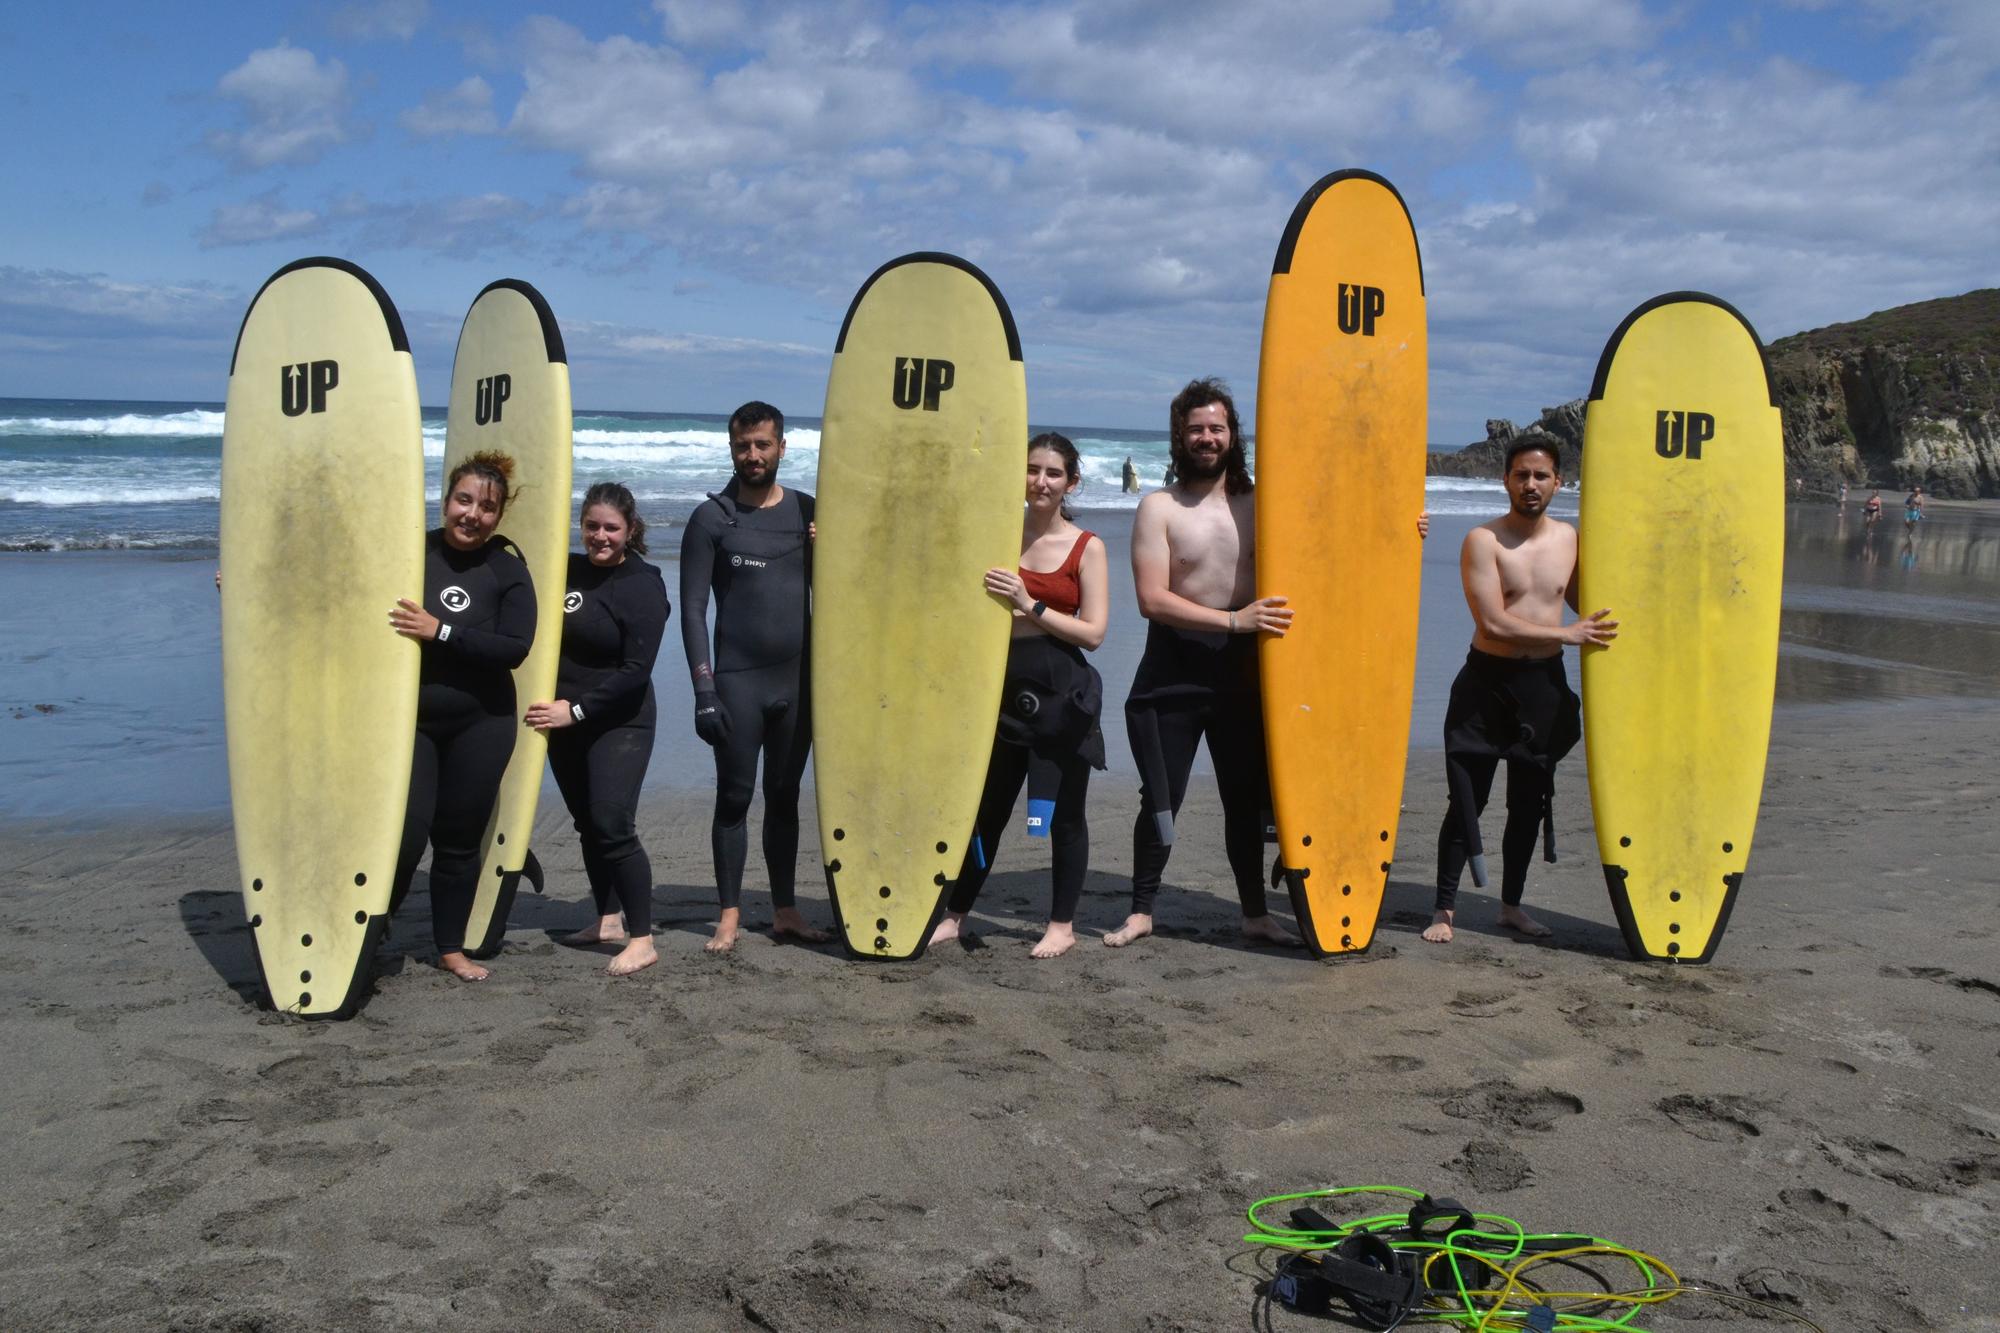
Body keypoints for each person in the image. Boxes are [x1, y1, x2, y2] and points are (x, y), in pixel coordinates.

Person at [1105, 379, 1433, 948]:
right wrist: (1235, 620)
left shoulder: (1264, 503)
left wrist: (1405, 528)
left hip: (1244, 670)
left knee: (1244, 796)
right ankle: (1141, 911)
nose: (1207, 438)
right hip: (1174, 666)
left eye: (1217, 428)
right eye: (1195, 429)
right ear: (1180, 437)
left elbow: (1338, 537)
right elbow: (1151, 599)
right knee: (1161, 795)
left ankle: (1255, 912)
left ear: (1233, 435)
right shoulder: (1159, 507)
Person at [1423, 436, 1616, 945]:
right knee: (1468, 800)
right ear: (1505, 480)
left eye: (1541, 476)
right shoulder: (1482, 540)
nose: (1531, 484)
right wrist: (1566, 635)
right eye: (1521, 475)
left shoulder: (1570, 540)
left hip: (1542, 689)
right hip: (1486, 685)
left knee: (1530, 803)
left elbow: (1592, 605)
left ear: (1558, 482)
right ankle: (1444, 909)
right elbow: (1492, 622)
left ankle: (1511, 907)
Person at [929, 434, 1110, 958]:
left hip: (1062, 696)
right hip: (1000, 691)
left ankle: (1062, 925)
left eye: (1053, 473)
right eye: (1032, 470)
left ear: (1071, 482)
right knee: (987, 811)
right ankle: (955, 914)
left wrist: (1030, 604)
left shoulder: (1087, 547)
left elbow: (1094, 633)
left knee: (1065, 816)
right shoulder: (997, 535)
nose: (1040, 482)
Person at [680, 401, 829, 952]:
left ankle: (786, 910)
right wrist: (704, 688)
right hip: (738, 684)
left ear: (782, 447)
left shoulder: (809, 513)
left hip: (798, 683)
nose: (753, 455)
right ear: (731, 448)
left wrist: (828, 547)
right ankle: (728, 915)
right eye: (743, 446)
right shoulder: (712, 519)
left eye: (763, 444)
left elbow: (849, 587)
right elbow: (693, 609)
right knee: (734, 798)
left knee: (785, 796)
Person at [388, 451, 536, 981]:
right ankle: (371, 928)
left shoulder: (507, 569)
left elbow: (514, 647)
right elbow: (341, 590)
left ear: (499, 515)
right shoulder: (412, 553)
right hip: (412, 723)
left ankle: (450, 947)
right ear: (446, 499)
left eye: (486, 507)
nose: (472, 514)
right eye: (464, 500)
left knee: (457, 839)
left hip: (482, 723)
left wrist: (441, 631)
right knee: (403, 835)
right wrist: (247, 584)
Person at [525, 483, 671, 976]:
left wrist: (577, 711)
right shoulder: (566, 570)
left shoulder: (642, 584)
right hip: (564, 718)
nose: (600, 536)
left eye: (611, 528)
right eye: (592, 526)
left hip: (620, 720)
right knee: (587, 823)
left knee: (612, 823)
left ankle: (642, 939)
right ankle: (607, 920)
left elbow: (636, 671)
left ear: (630, 530)